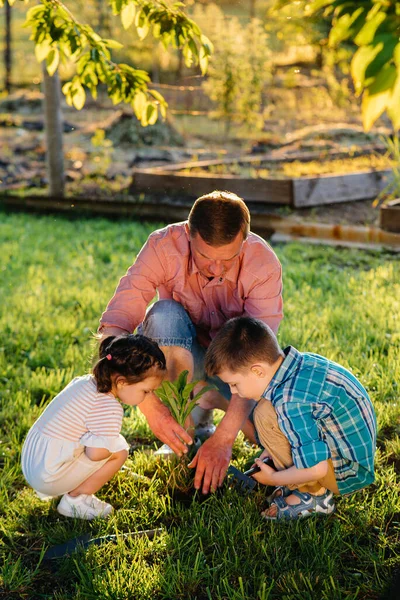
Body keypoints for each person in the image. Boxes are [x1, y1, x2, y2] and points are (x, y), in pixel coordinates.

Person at [98, 190, 283, 494]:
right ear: (188, 233)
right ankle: (185, 423)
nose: (216, 269)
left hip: (236, 373)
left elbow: (257, 358)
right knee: (163, 315)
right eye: (205, 257)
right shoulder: (162, 245)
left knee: (272, 435)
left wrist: (225, 439)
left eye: (229, 259)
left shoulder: (263, 264)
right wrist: (151, 407)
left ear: (245, 240)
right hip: (183, 357)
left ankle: (209, 402)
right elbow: (114, 327)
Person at [204, 316, 377, 520]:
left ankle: (314, 496)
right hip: (350, 451)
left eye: (234, 384)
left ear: (257, 371)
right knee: (266, 412)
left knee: (264, 415)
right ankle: (297, 479)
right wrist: (271, 452)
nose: (234, 392)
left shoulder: (288, 402)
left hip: (348, 473)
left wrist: (274, 477)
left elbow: (316, 468)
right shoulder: (296, 366)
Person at [21, 334, 166, 520]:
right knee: (119, 451)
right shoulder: (109, 407)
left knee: (108, 444)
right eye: (146, 391)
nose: (147, 396)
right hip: (48, 476)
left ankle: (70, 484)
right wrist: (105, 458)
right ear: (122, 382)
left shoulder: (85, 382)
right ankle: (75, 501)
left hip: (34, 460)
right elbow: (96, 454)